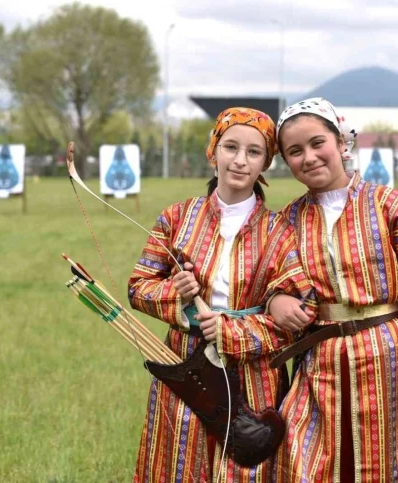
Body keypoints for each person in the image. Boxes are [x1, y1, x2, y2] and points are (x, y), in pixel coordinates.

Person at [268, 97, 398, 482]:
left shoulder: (395, 207)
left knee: (394, 465)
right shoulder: (286, 220)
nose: (310, 157)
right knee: (304, 460)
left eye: (318, 143)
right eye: (295, 151)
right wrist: (277, 299)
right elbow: (273, 280)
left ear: (341, 142)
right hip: (320, 365)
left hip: (388, 360)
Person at [128, 107, 316, 483]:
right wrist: (179, 298)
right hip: (185, 369)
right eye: (231, 147)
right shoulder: (177, 218)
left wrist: (229, 331)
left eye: (253, 152)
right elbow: (138, 287)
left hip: (255, 376)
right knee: (180, 464)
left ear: (266, 163)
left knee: (248, 469)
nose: (240, 161)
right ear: (213, 151)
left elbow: (294, 319)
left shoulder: (280, 232)